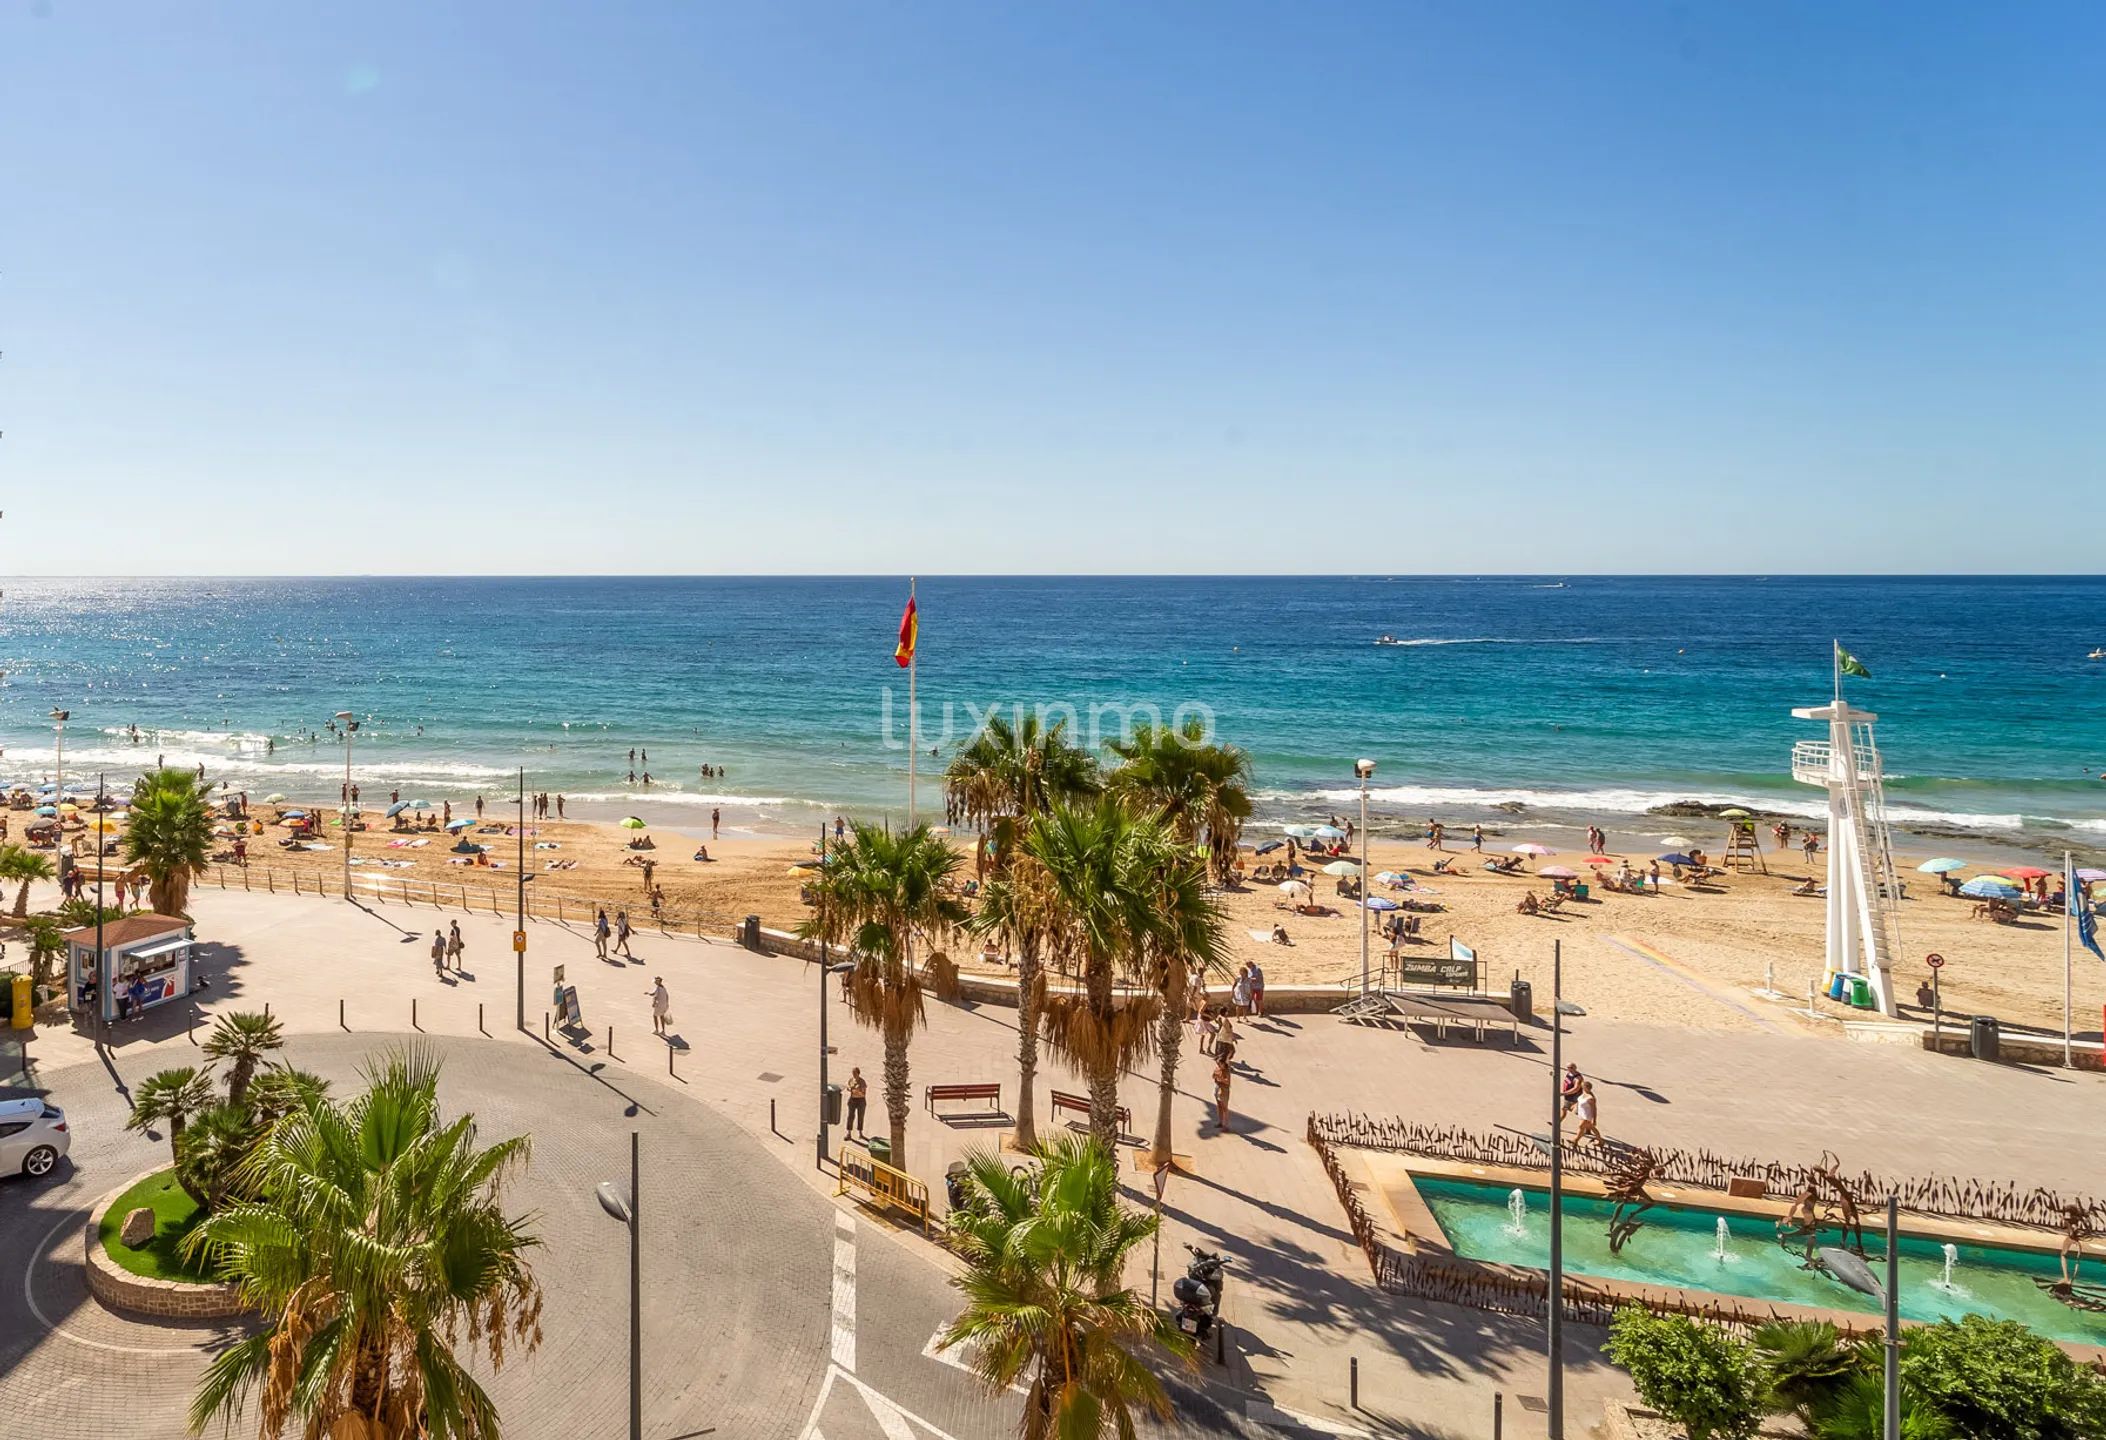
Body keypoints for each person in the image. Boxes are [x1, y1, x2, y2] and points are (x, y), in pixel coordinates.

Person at [1571, 1081, 1601, 1148]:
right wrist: (1575, 1107)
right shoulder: (1583, 1094)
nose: (1581, 1087)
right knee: (1592, 1128)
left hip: (1587, 1116)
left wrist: (1594, 1119)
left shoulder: (1590, 1098)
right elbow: (1579, 1101)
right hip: (1582, 1114)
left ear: (1586, 1087)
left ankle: (1575, 1140)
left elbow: (1594, 1109)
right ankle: (1601, 1141)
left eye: (1582, 1086)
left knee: (1581, 1127)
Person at [1212, 1051, 1233, 1132]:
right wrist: (1215, 1076)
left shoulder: (1227, 1071)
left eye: (1219, 1063)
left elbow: (1227, 1082)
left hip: (1224, 1090)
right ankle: (1220, 1122)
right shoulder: (1217, 1068)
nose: (1218, 1064)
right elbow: (1213, 1076)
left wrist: (1220, 1078)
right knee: (1219, 1106)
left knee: (1224, 1108)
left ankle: (1225, 1125)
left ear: (1223, 1063)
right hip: (1217, 1087)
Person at [845, 1066, 868, 1137]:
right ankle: (849, 1133)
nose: (854, 1074)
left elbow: (863, 1093)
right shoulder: (851, 1080)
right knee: (850, 1116)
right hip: (852, 1100)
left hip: (861, 1100)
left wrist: (858, 1090)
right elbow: (848, 1086)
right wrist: (850, 1089)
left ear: (858, 1073)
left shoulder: (862, 1081)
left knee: (860, 1116)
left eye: (855, 1073)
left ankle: (860, 1133)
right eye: (853, 1073)